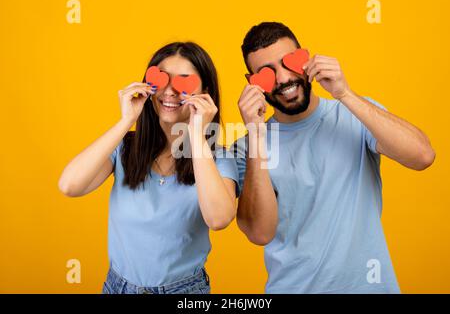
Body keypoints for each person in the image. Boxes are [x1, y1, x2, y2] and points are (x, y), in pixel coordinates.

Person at [233, 22, 435, 293]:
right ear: (252, 84)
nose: (282, 79)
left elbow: (422, 156)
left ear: (306, 59)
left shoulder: (356, 115)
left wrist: (344, 94)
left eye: (289, 63)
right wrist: (256, 133)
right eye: (266, 74)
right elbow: (258, 233)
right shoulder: (248, 146)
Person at [58, 42, 239, 294]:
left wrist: (198, 133)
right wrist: (126, 120)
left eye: (184, 81)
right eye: (162, 79)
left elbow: (219, 219)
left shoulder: (218, 158)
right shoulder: (125, 149)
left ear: (205, 92)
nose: (170, 91)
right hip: (117, 287)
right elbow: (69, 185)